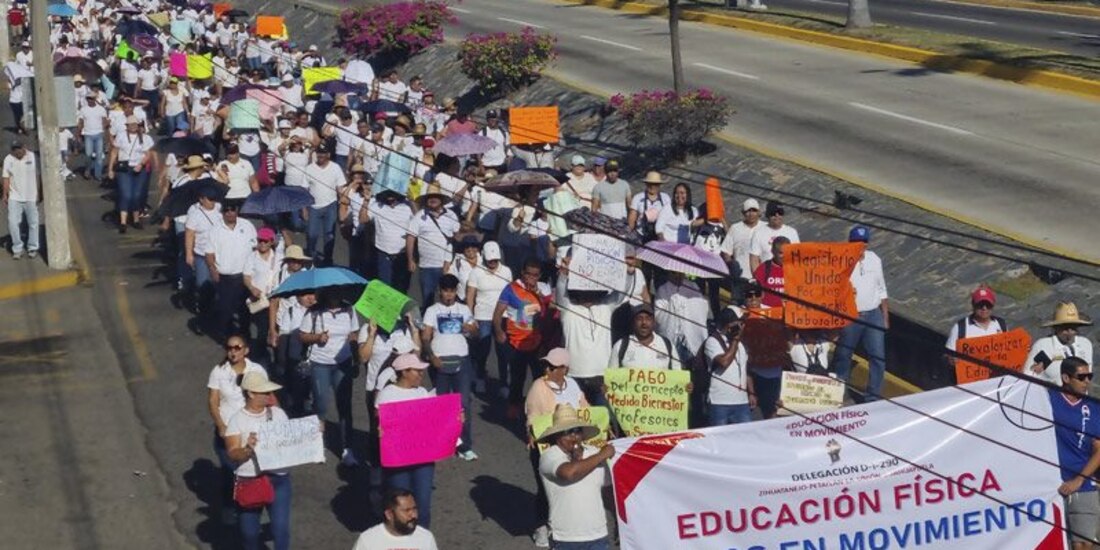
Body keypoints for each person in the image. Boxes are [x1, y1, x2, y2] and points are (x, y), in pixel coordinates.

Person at [525, 348, 591, 548]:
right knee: (545, 488)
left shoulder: (573, 385)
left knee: (571, 488)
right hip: (547, 445)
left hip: (572, 445)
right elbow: (532, 415)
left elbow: (586, 410)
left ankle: (565, 526)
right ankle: (542, 525)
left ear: (565, 369)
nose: (548, 369)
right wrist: (531, 432)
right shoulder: (539, 386)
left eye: (553, 366)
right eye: (547, 365)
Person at [223, 371, 293, 550]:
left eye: (269, 392)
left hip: (278, 479)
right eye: (265, 392)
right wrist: (247, 449)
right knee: (250, 534)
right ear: (251, 393)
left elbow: (293, 440)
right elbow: (232, 452)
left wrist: (313, 434)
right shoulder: (237, 420)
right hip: (250, 481)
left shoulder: (278, 414)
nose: (270, 395)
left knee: (281, 530)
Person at [206, 336, 267, 524]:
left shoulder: (256, 370)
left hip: (251, 430)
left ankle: (254, 504)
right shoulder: (219, 372)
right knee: (230, 472)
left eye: (237, 348)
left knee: (254, 470)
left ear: (246, 350)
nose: (232, 351)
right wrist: (221, 425)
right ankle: (229, 505)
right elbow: (213, 401)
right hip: (228, 433)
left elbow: (267, 396)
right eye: (229, 348)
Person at [538, 404, 615, 550]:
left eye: (577, 431)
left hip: (598, 536)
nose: (574, 436)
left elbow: (607, 490)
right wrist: (602, 455)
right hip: (566, 538)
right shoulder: (550, 456)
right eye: (568, 432)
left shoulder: (593, 453)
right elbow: (569, 473)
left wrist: (619, 520)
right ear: (556, 436)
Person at [377, 353, 440, 529]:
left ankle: (422, 538)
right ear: (404, 372)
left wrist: (455, 419)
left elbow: (434, 421)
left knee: (423, 506)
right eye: (417, 371)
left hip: (423, 458)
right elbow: (380, 421)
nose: (421, 374)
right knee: (400, 505)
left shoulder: (422, 392)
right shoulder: (387, 394)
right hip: (399, 459)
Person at [556, 257, 629, 407]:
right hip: (574, 375)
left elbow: (621, 293)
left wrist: (628, 272)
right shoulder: (568, 308)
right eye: (584, 289)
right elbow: (560, 291)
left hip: (601, 375)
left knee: (603, 417)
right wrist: (563, 274)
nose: (588, 292)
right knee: (575, 417)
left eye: (591, 289)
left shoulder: (606, 307)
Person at [299, 291, 361, 466]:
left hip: (343, 363)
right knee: (321, 405)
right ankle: (318, 446)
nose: (334, 295)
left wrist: (356, 357)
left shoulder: (349, 309)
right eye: (331, 291)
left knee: (344, 406)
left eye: (337, 290)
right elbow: (302, 335)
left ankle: (347, 449)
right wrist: (317, 337)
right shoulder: (314, 311)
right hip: (320, 363)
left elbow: (354, 334)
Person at [421, 274, 479, 460]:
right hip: (440, 361)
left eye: (452, 291)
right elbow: (425, 337)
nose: (449, 295)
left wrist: (471, 329)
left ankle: (464, 445)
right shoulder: (432, 310)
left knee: (463, 404)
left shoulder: (464, 309)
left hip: (462, 360)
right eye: (446, 291)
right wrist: (432, 356)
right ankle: (443, 443)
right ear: (440, 291)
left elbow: (475, 331)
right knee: (442, 404)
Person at [832, 226, 890, 402]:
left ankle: (872, 397)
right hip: (851, 315)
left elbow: (882, 289)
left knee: (878, 357)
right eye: (857, 242)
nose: (861, 245)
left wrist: (885, 317)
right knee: (843, 355)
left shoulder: (875, 259)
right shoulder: (841, 261)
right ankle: (838, 394)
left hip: (873, 314)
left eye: (864, 242)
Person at [1050, 357, 1100, 550]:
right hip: (1050, 483)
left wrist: (1079, 480)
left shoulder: (1093, 407)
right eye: (1081, 377)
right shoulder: (1049, 398)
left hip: (1083, 484)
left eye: (1089, 376)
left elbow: (1098, 449)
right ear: (1066, 378)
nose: (1087, 381)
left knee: (1083, 544)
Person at [493, 259, 552, 416]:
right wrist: (498, 331)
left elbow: (552, 309)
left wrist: (538, 294)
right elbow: (498, 312)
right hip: (516, 342)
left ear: (540, 275)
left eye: (535, 275)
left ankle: (540, 407)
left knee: (540, 378)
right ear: (522, 273)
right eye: (528, 274)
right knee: (517, 377)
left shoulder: (544, 289)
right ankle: (514, 406)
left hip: (537, 342)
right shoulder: (511, 288)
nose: (531, 278)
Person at [206, 201, 258, 342]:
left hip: (244, 276)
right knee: (226, 311)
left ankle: (245, 339)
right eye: (226, 210)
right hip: (225, 278)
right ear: (222, 213)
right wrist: (212, 268)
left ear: (237, 210)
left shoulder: (247, 226)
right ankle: (229, 339)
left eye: (232, 210)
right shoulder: (215, 230)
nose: (229, 213)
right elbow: (209, 253)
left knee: (244, 310)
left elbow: (255, 248)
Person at [466, 241, 513, 396]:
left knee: (503, 351)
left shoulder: (506, 271)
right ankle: (480, 377)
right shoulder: (476, 272)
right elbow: (470, 295)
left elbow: (511, 293)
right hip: (483, 316)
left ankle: (504, 383)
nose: (493, 262)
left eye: (495, 260)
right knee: (483, 349)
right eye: (490, 260)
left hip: (502, 316)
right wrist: (470, 317)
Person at [407, 182, 461, 310]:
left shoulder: (451, 215)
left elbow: (457, 237)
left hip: (447, 265)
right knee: (428, 299)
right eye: (429, 197)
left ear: (441, 199)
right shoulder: (419, 216)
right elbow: (410, 238)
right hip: (427, 266)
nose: (432, 199)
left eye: (435, 196)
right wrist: (410, 260)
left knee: (448, 299)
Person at [705, 308, 754, 426]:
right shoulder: (712, 341)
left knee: (745, 436)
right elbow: (724, 362)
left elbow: (745, 370)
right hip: (719, 402)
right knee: (719, 436)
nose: (742, 326)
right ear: (728, 325)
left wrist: (751, 393)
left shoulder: (742, 343)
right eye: (739, 323)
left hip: (742, 402)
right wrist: (735, 340)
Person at [107, 115, 156, 233]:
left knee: (137, 195)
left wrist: (141, 164)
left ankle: (136, 219)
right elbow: (114, 152)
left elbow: (148, 154)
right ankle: (123, 222)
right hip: (124, 169)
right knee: (126, 194)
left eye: (135, 124)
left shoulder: (145, 138)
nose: (133, 126)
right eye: (131, 124)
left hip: (139, 169)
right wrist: (110, 169)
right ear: (127, 126)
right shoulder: (121, 136)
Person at [1029, 302, 1095, 386]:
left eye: (1073, 328)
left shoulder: (1085, 344)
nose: (1069, 332)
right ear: (1056, 327)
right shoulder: (1043, 346)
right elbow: (1026, 376)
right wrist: (1034, 372)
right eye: (1065, 328)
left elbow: (1088, 375)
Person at [943, 285, 1006, 373]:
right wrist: (951, 360)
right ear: (973, 305)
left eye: (988, 304)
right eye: (980, 305)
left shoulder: (1001, 324)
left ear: (993, 305)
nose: (984, 308)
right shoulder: (960, 328)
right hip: (972, 378)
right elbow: (947, 355)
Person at [243, 227, 283, 361]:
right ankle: (260, 356)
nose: (262, 243)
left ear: (271, 242)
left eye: (266, 241)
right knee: (261, 330)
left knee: (277, 328)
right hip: (260, 299)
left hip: (276, 299)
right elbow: (246, 276)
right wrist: (252, 288)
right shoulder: (252, 257)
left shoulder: (278, 257)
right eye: (260, 240)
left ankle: (276, 357)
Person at [353, 489, 439, 550]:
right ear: (389, 514)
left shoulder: (425, 538)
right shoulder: (368, 540)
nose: (414, 515)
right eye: (406, 510)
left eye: (414, 509)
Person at [305, 144, 346, 265]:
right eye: (319, 153)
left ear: (328, 154)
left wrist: (343, 206)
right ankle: (311, 258)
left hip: (331, 206)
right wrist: (304, 209)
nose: (321, 155)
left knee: (330, 235)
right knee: (312, 234)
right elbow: (304, 190)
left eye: (323, 153)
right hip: (313, 207)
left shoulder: (336, 168)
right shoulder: (309, 168)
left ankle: (328, 260)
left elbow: (340, 188)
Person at [366, 189, 415, 291]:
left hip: (402, 254)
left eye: (393, 193)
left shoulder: (406, 207)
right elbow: (363, 219)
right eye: (388, 193)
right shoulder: (376, 206)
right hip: (383, 252)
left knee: (401, 287)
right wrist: (366, 201)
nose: (390, 196)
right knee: (384, 286)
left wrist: (412, 201)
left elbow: (419, 220)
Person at [609, 304, 683, 370]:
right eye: (639, 318)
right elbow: (611, 376)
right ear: (633, 322)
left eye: (648, 318)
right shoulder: (621, 346)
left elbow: (678, 374)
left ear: (653, 322)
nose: (644, 322)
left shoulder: (667, 345)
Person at [3, 142, 38, 260]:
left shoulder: (32, 156)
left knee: (33, 223)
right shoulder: (8, 159)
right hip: (14, 197)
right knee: (12, 223)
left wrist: (40, 193)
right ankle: (17, 248)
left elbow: (38, 175)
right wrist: (5, 194)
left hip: (31, 197)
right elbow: (6, 178)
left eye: (19, 148)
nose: (17, 151)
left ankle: (32, 247)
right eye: (14, 149)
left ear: (24, 148)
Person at [719, 198, 762, 292]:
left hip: (762, 279)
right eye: (748, 211)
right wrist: (733, 268)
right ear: (743, 213)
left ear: (759, 212)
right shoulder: (735, 228)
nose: (751, 214)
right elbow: (725, 251)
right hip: (741, 278)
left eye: (754, 210)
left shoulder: (765, 227)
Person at [748, 200, 799, 273]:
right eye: (773, 213)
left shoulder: (792, 232)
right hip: (767, 276)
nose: (777, 215)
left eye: (780, 212)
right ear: (767, 215)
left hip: (788, 275)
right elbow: (754, 259)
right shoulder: (758, 233)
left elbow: (797, 258)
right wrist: (757, 277)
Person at [752, 236, 788, 309]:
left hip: (790, 311)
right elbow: (755, 293)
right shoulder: (764, 268)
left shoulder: (796, 268)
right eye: (781, 253)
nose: (784, 256)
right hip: (768, 310)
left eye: (787, 252)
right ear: (773, 252)